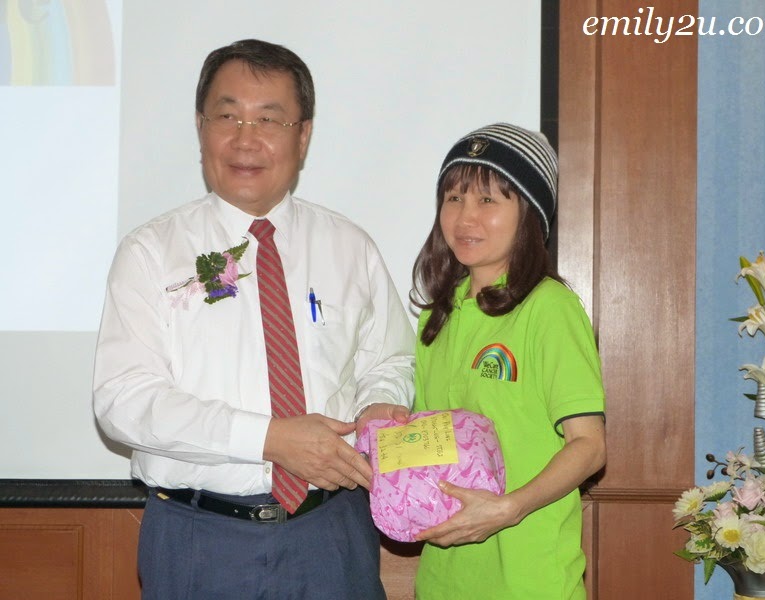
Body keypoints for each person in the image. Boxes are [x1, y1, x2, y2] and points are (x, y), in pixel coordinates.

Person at [92, 39, 415, 600]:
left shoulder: (349, 247)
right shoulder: (150, 253)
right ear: (200, 127)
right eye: (227, 116)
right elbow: (123, 399)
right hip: (200, 538)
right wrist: (269, 439)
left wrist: (376, 406)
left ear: (303, 135)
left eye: (269, 119)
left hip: (332, 534)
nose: (245, 139)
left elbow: (389, 359)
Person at [410, 123, 606, 599]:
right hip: (442, 582)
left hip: (529, 581)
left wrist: (509, 508)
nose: (465, 217)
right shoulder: (436, 315)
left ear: (530, 214)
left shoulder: (549, 307)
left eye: (488, 200)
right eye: (454, 198)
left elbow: (589, 446)